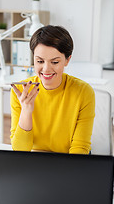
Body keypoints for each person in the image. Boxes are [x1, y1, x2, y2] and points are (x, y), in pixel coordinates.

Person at [10, 25, 95, 154]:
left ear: (67, 60)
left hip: (68, 162)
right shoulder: (22, 91)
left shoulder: (83, 92)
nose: (46, 69)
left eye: (54, 62)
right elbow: (20, 150)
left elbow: (80, 148)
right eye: (39, 61)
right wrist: (26, 111)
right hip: (36, 160)